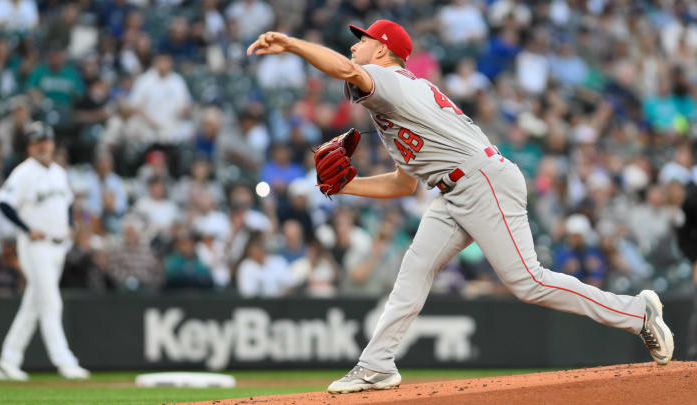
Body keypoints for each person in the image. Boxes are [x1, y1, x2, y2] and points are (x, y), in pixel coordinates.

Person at [247, 19, 674, 394]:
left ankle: (637, 312)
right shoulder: (391, 107)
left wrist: (293, 45)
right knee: (415, 269)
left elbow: (345, 68)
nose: (354, 46)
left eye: (361, 40)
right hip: (455, 189)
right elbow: (401, 185)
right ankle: (376, 365)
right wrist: (350, 186)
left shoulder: (390, 81)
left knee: (528, 282)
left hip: (482, 181)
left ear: (383, 49)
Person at [0, 122, 90, 380]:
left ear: (53, 143)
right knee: (51, 303)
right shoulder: (24, 172)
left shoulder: (58, 171)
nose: (43, 145)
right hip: (36, 246)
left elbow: (68, 202)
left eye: (46, 141)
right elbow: (3, 203)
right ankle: (65, 361)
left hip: (58, 246)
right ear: (30, 146)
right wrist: (26, 228)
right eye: (37, 142)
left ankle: (7, 361)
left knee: (33, 306)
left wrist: (70, 224)